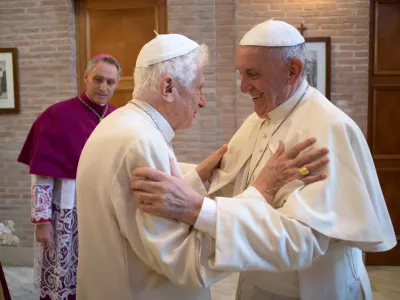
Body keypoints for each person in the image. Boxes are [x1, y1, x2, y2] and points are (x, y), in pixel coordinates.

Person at [131, 20, 397, 300]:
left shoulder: (328, 130)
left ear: (292, 70)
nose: (244, 87)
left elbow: (302, 242)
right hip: (256, 286)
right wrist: (197, 180)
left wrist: (198, 208)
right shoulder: (257, 121)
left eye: (253, 74)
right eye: (241, 74)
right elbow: (231, 191)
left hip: (311, 290)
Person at [75, 33, 329, 300]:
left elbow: (137, 212)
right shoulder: (141, 142)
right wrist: (260, 193)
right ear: (168, 88)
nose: (202, 100)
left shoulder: (121, 124)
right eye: (199, 87)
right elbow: (186, 262)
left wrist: (197, 180)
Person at [17, 54, 121, 300]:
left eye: (110, 82)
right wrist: (42, 221)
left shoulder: (120, 117)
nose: (103, 88)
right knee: (63, 275)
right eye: (97, 79)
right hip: (66, 213)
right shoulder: (56, 115)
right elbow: (41, 174)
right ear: (86, 77)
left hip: (106, 214)